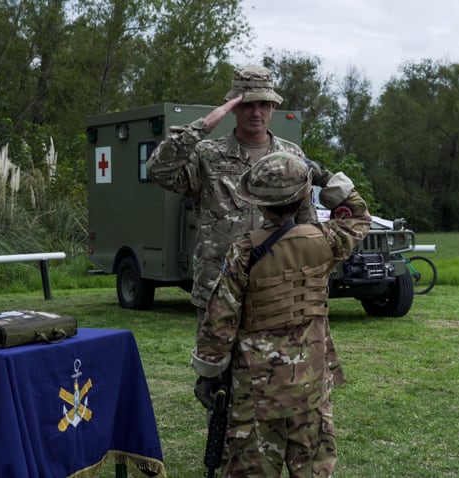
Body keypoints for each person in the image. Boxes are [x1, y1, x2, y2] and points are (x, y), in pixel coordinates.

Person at [191, 151, 371, 477]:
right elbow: (358, 216)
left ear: (258, 202)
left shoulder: (245, 250)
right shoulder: (326, 240)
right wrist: (327, 178)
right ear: (304, 194)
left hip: (257, 390)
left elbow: (220, 320)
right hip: (312, 383)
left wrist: (208, 372)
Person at [146, 65, 332, 323]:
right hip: (219, 285)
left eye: (263, 104)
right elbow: (159, 171)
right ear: (233, 107)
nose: (256, 112)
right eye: (247, 104)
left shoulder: (291, 156)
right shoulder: (207, 154)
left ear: (273, 108)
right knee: (216, 362)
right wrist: (201, 127)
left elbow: (306, 222)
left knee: (272, 363)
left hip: (277, 286)